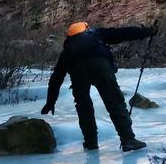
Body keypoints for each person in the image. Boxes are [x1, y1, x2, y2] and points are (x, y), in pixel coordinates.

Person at [41, 21, 157, 151]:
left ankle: (91, 143)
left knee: (83, 106)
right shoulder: (96, 34)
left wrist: (50, 101)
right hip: (101, 66)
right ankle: (128, 139)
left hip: (78, 71)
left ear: (70, 36)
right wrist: (146, 32)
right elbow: (122, 33)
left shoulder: (67, 50)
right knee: (114, 101)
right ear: (85, 29)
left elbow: (56, 77)